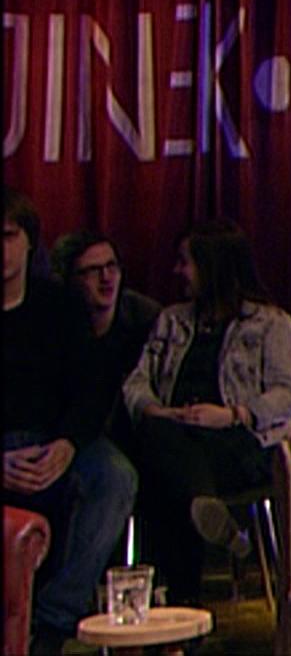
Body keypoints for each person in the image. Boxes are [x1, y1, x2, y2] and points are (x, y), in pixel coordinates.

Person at [122, 218, 291, 608]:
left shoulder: (271, 323)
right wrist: (157, 410)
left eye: (185, 262)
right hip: (174, 433)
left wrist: (232, 414)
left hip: (240, 441)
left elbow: (287, 395)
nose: (178, 271)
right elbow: (136, 382)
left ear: (212, 265)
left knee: (165, 476)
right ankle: (202, 505)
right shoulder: (172, 320)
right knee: (159, 443)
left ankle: (177, 605)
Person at [3, 190, 139, 654]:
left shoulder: (58, 307)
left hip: (54, 444)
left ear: (28, 242)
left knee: (116, 476)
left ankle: (52, 624)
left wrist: (67, 444)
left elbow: (91, 391)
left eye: (8, 236)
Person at [51, 229, 162, 445]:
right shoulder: (55, 321)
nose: (106, 277)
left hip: (133, 434)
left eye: (112, 266)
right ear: (69, 278)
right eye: (93, 270)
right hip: (72, 433)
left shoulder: (146, 317)